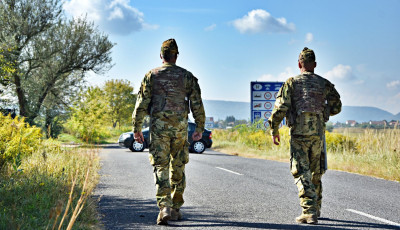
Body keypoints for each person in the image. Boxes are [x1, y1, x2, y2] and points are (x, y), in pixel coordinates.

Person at [132, 38, 205, 225]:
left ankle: (164, 206)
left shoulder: (151, 75)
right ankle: (175, 207)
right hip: (180, 129)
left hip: (159, 129)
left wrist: (137, 128)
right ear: (176, 56)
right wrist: (199, 128)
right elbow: (196, 103)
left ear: (161, 55)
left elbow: (141, 104)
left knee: (161, 166)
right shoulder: (187, 76)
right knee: (178, 166)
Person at [268, 47, 341, 224]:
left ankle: (309, 212)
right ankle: (317, 208)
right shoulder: (325, 84)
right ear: (314, 64)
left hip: (299, 134)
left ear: (299, 64)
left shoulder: (292, 83)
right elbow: (337, 106)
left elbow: (281, 107)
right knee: (316, 172)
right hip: (317, 134)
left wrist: (274, 129)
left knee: (302, 171)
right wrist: (323, 113)